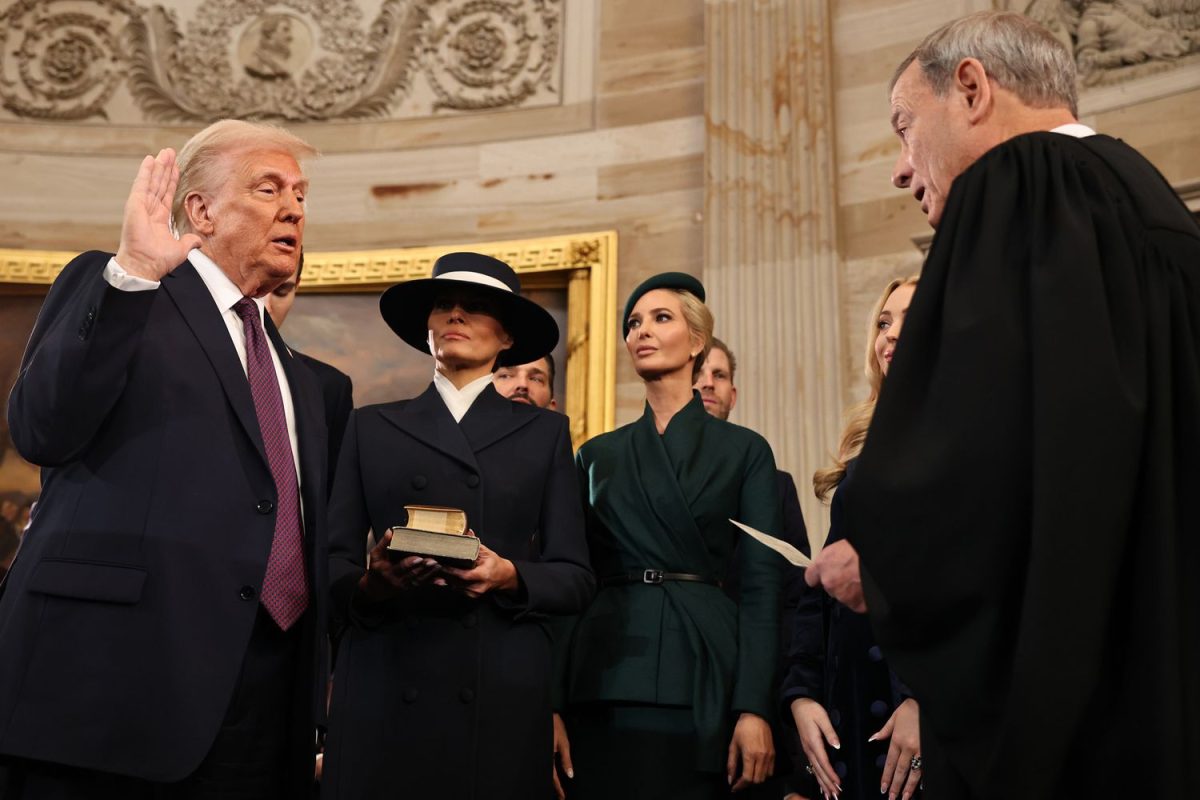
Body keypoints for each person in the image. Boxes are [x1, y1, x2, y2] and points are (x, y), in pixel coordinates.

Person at [806, 11, 1200, 798]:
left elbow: (980, 432)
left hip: (1061, 715)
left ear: (973, 88)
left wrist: (882, 561)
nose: (898, 167)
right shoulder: (1154, 206)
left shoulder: (1018, 183)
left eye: (903, 127)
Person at [0, 120, 329, 798]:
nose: (293, 207)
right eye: (268, 188)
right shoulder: (123, 290)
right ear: (200, 211)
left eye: (300, 194)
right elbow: (42, 429)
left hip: (263, 700)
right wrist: (134, 274)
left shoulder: (294, 370)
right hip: (113, 692)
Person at [321, 252, 594, 800]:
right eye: (444, 304)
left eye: (476, 308)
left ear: (508, 337)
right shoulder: (369, 426)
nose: (456, 315)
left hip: (497, 684)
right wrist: (372, 584)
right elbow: (330, 561)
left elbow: (576, 577)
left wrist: (508, 574)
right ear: (425, 329)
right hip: (387, 674)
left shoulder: (544, 434)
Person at [553, 273, 783, 799]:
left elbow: (763, 588)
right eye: (634, 323)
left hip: (706, 671)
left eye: (661, 319)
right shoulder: (595, 455)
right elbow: (572, 583)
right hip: (605, 676)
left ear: (697, 342)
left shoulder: (746, 451)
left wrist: (755, 706)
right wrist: (552, 704)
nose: (642, 332)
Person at [784, 278, 921, 800]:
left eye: (909, 317)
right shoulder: (870, 444)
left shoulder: (975, 434)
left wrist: (925, 699)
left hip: (922, 710)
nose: (889, 335)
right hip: (852, 707)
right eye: (884, 322)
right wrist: (801, 696)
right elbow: (820, 587)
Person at [694, 338, 811, 800]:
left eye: (719, 375)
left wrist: (764, 706)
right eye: (701, 371)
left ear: (733, 394)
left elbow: (794, 603)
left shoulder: (775, 486)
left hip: (758, 694)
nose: (708, 382)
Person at [266, 252, 354, 496]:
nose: (266, 307)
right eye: (257, 289)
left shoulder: (329, 386)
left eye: (281, 291)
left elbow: (332, 506)